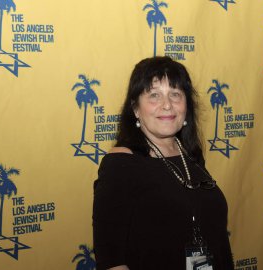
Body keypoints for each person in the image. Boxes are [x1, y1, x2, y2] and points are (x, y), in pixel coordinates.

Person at [93, 56, 234, 270]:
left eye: (175, 94)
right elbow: (112, 261)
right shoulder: (120, 165)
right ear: (136, 109)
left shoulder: (191, 156)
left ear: (187, 106)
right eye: (154, 95)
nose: (167, 105)